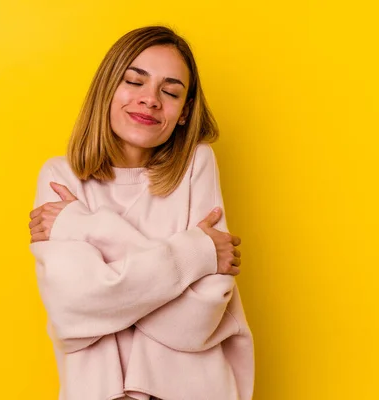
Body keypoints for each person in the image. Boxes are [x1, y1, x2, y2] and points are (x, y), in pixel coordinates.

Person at [28, 25, 254, 400]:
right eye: (134, 82)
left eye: (170, 92)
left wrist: (84, 229)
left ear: (183, 113)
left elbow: (195, 322)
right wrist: (196, 253)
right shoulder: (59, 176)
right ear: (107, 91)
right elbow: (75, 310)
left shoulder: (196, 165)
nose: (151, 100)